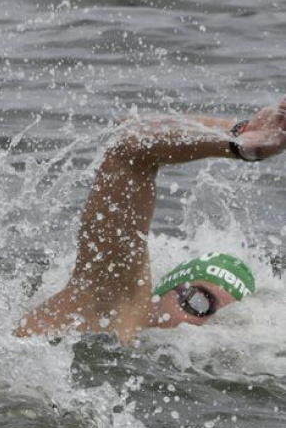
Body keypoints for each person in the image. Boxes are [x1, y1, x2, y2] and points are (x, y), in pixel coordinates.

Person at [15, 97, 286, 343]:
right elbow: (131, 141)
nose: (198, 324)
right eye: (198, 303)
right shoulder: (109, 305)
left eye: (219, 320)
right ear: (164, 294)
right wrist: (240, 137)